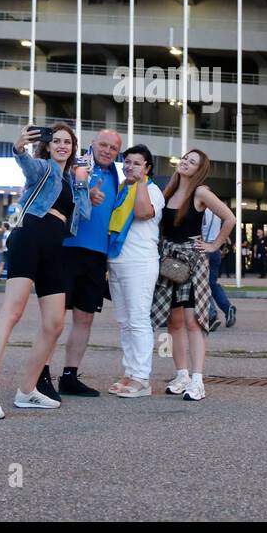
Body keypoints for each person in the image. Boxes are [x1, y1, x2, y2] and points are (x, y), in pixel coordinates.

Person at [0, 122, 92, 419]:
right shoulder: (44, 169)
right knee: (12, 311)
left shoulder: (72, 180)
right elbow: (27, 165)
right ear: (48, 146)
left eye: (68, 142)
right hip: (30, 236)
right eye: (58, 141)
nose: (63, 146)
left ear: (74, 149)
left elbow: (84, 214)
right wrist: (18, 148)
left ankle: (27, 389)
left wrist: (83, 181)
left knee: (54, 323)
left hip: (54, 246)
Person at [151, 148, 235, 403]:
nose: (186, 163)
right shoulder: (169, 191)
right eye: (185, 159)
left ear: (199, 170)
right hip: (169, 261)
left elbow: (229, 218)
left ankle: (198, 380)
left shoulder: (200, 192)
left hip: (192, 261)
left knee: (193, 321)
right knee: (173, 322)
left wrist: (213, 245)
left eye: (192, 162)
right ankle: (182, 375)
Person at [56, 128, 122, 398]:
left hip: (97, 256)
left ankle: (69, 376)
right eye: (103, 145)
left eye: (113, 148)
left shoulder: (118, 177)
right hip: (68, 249)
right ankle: (39, 374)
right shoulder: (77, 166)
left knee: (84, 318)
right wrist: (86, 195)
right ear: (92, 144)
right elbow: (62, 195)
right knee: (54, 318)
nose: (107, 150)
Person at [106, 145, 164, 397]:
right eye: (127, 162)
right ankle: (130, 372)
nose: (130, 167)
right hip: (117, 262)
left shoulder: (152, 190)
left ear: (147, 167)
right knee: (124, 322)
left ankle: (142, 378)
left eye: (136, 163)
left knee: (139, 320)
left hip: (140, 262)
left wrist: (140, 182)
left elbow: (142, 213)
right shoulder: (122, 190)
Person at [203, 206, 235, 331]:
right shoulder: (217, 211)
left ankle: (212, 315)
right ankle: (228, 309)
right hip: (215, 249)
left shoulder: (201, 210)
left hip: (204, 248)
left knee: (200, 284)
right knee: (212, 283)